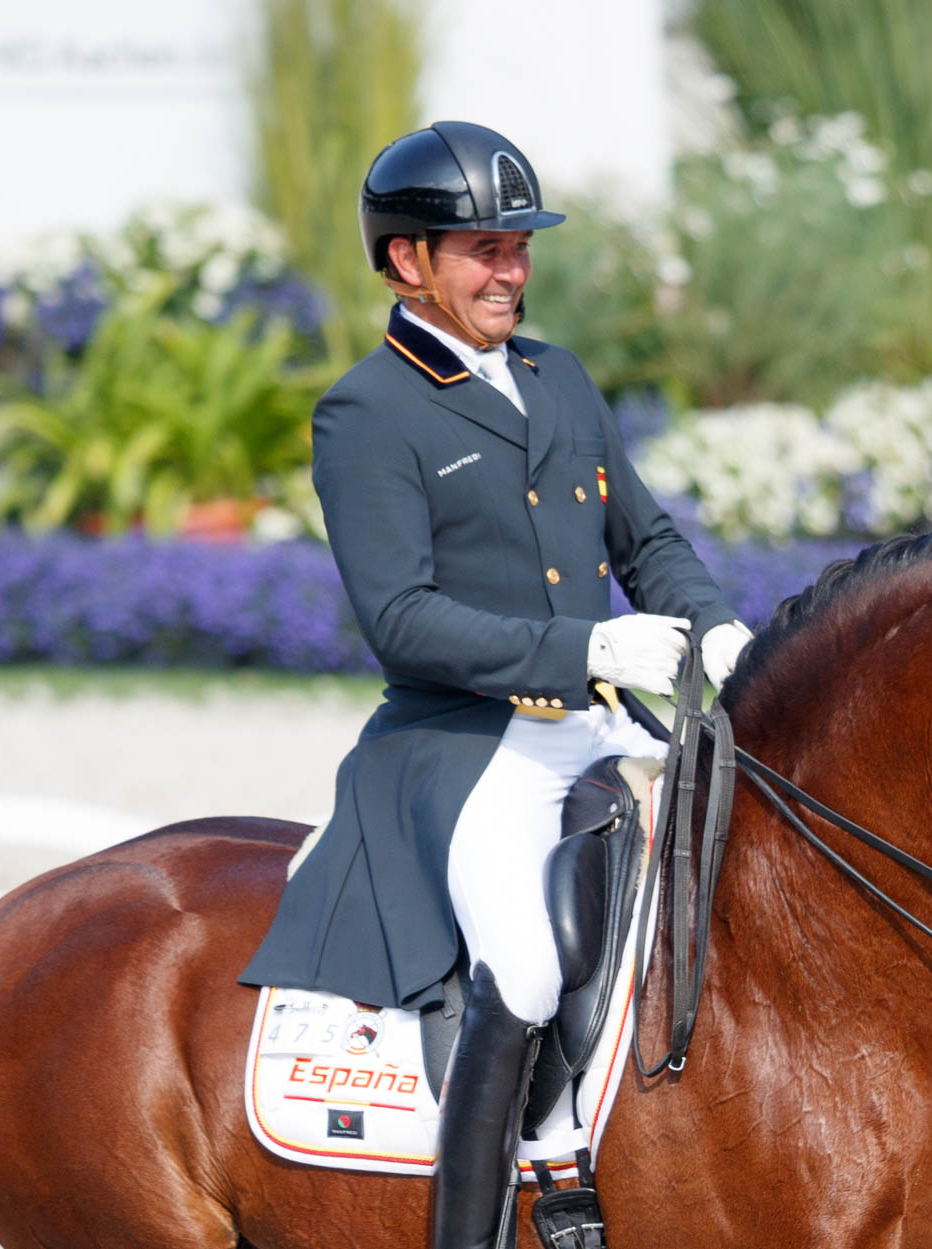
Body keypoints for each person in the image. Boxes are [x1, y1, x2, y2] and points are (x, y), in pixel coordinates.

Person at [240, 120, 750, 1249]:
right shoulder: (369, 410)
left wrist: (718, 632)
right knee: (520, 963)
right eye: (480, 248)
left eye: (518, 246)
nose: (509, 271)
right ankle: (483, 1223)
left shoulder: (556, 379)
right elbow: (401, 619)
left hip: (596, 727)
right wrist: (581, 651)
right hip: (459, 747)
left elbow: (646, 539)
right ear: (405, 262)